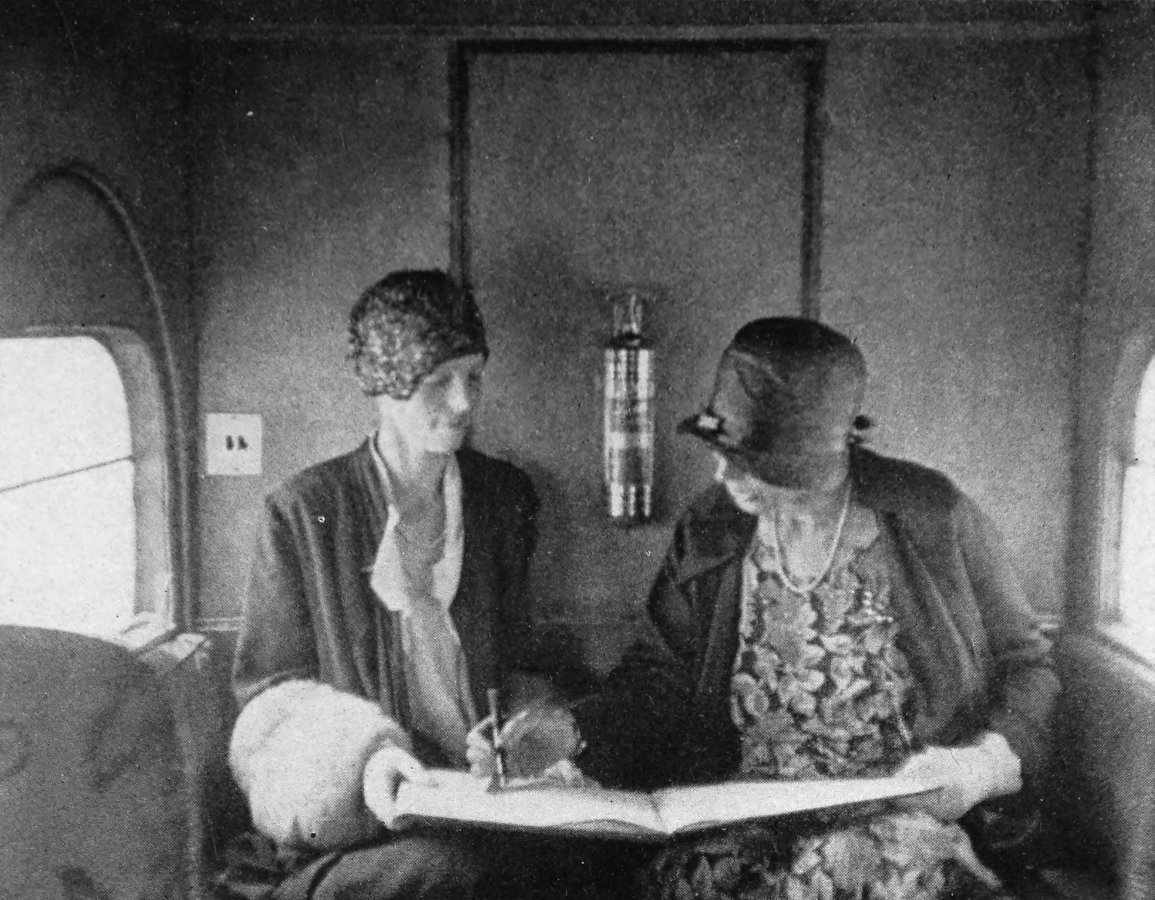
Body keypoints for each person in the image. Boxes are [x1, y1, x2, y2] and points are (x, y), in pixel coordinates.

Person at [473, 318, 1059, 900]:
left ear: (817, 455)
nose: (722, 473)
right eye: (719, 450)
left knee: (844, 867)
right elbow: (657, 682)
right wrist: (566, 734)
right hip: (743, 815)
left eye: (751, 460)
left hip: (900, 815)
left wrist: (977, 769)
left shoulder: (934, 517)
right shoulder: (712, 528)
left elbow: (1028, 665)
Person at [226, 270, 588, 900]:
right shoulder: (303, 511)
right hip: (361, 832)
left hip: (488, 809)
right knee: (460, 873)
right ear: (385, 387)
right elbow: (272, 705)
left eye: (472, 377)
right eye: (437, 382)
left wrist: (530, 722)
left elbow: (519, 658)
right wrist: (367, 763)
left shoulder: (503, 498)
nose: (464, 403)